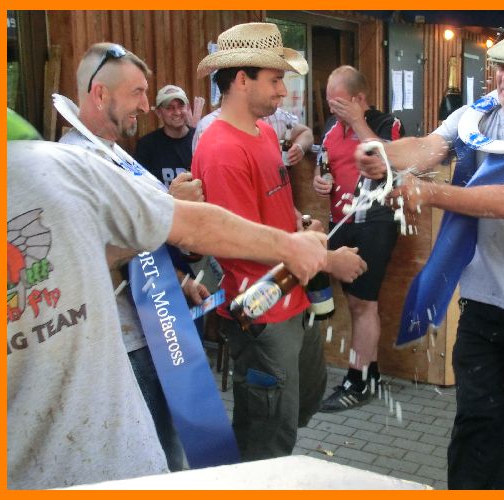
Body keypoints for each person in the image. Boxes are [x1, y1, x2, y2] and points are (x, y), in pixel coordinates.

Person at [7, 112, 328, 489]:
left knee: (182, 434)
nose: (145, 106)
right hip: (38, 467)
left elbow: (180, 227)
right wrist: (289, 247)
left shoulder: (68, 166)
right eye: (137, 93)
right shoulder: (205, 146)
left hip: (125, 451)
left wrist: (288, 245)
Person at [356, 29, 504, 490]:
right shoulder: (474, 116)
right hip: (483, 303)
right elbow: (427, 148)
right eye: (501, 67)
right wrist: (381, 153)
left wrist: (429, 193)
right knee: (477, 425)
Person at [192, 22, 367, 461]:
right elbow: (237, 241)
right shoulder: (221, 150)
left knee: (302, 402)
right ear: (241, 79)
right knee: (266, 436)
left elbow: (276, 205)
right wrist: (327, 259)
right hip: (259, 308)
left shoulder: (266, 132)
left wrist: (300, 223)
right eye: (274, 79)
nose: (283, 90)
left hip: (293, 297)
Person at [58, 42, 205, 471]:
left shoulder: (116, 151)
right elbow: (87, 254)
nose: (146, 104)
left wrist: (182, 281)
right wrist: (169, 209)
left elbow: (141, 242)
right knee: (152, 463)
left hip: (155, 322)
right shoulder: (72, 162)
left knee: (174, 448)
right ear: (100, 94)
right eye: (137, 92)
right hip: (121, 342)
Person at [314, 65, 404, 412]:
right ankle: (370, 372)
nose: (333, 109)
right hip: (340, 222)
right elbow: (325, 163)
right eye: (329, 103)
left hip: (375, 222)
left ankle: (359, 380)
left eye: (339, 103)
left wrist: (357, 122)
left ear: (359, 98)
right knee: (354, 303)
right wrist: (319, 180)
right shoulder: (331, 128)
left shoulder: (385, 124)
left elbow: (392, 160)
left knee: (364, 303)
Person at [193, 104, 313, 166]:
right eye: (273, 81)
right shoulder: (208, 126)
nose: (282, 91)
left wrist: (299, 147)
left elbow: (306, 132)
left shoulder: (276, 116)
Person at [135, 84, 200, 191]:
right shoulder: (147, 145)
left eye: (181, 106)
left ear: (188, 108)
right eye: (170, 108)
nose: (177, 112)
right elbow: (140, 185)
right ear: (158, 112)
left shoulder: (200, 139)